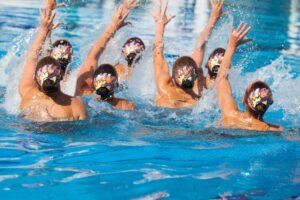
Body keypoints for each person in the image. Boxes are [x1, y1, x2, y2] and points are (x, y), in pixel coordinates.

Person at [19, 2, 87, 122]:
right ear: (60, 76)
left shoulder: (28, 96)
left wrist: (44, 29)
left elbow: (31, 58)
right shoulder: (76, 106)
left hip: (28, 136)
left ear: (35, 78)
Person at [216, 22, 283, 131]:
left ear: (244, 100)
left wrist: (231, 45)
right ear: (270, 103)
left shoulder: (230, 114)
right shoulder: (273, 129)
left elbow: (221, 78)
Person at [75, 0, 139, 110]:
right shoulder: (127, 106)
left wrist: (113, 27)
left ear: (93, 82)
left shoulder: (82, 92)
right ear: (116, 86)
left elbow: (93, 54)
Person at [152, 0, 201, 108]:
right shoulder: (197, 102)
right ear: (195, 77)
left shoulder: (164, 88)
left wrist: (160, 26)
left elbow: (157, 57)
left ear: (172, 78)